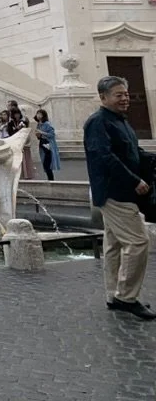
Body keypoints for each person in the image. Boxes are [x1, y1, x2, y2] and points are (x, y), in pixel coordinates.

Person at [83, 75, 155, 320]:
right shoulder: (97, 123)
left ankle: (114, 294)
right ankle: (127, 296)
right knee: (138, 242)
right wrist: (134, 180)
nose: (125, 98)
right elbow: (105, 157)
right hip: (115, 192)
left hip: (121, 190)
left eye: (125, 94)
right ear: (103, 97)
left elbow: (133, 151)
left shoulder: (119, 121)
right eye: (118, 94)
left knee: (113, 245)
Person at [33, 109, 61, 181]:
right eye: (37, 114)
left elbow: (52, 135)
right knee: (45, 164)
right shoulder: (39, 124)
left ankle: (51, 180)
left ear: (43, 115)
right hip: (42, 144)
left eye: (40, 114)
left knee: (47, 164)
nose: (38, 115)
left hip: (48, 145)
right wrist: (38, 135)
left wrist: (41, 132)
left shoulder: (47, 124)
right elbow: (39, 137)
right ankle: (50, 179)